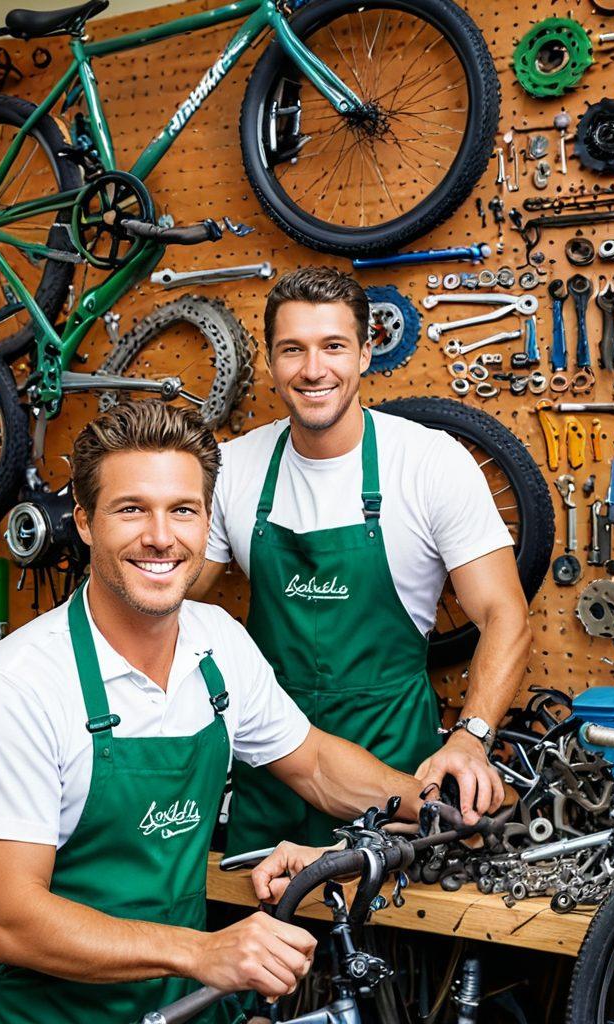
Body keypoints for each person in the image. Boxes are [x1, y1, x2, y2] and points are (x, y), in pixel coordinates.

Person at [0, 401, 436, 1024]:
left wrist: (431, 800)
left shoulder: (216, 642)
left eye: (183, 510)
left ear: (207, 521)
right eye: (131, 509)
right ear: (86, 521)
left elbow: (312, 763)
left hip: (185, 1007)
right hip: (55, 1014)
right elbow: (11, 919)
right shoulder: (18, 685)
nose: (161, 536)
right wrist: (204, 952)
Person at [190, 267, 531, 855]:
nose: (313, 369)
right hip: (270, 765)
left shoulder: (428, 462)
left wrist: (471, 738)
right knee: (261, 938)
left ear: (366, 353)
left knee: (387, 935)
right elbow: (173, 597)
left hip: (396, 769)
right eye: (292, 349)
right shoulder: (233, 467)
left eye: (333, 347)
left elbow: (507, 616)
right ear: (271, 361)